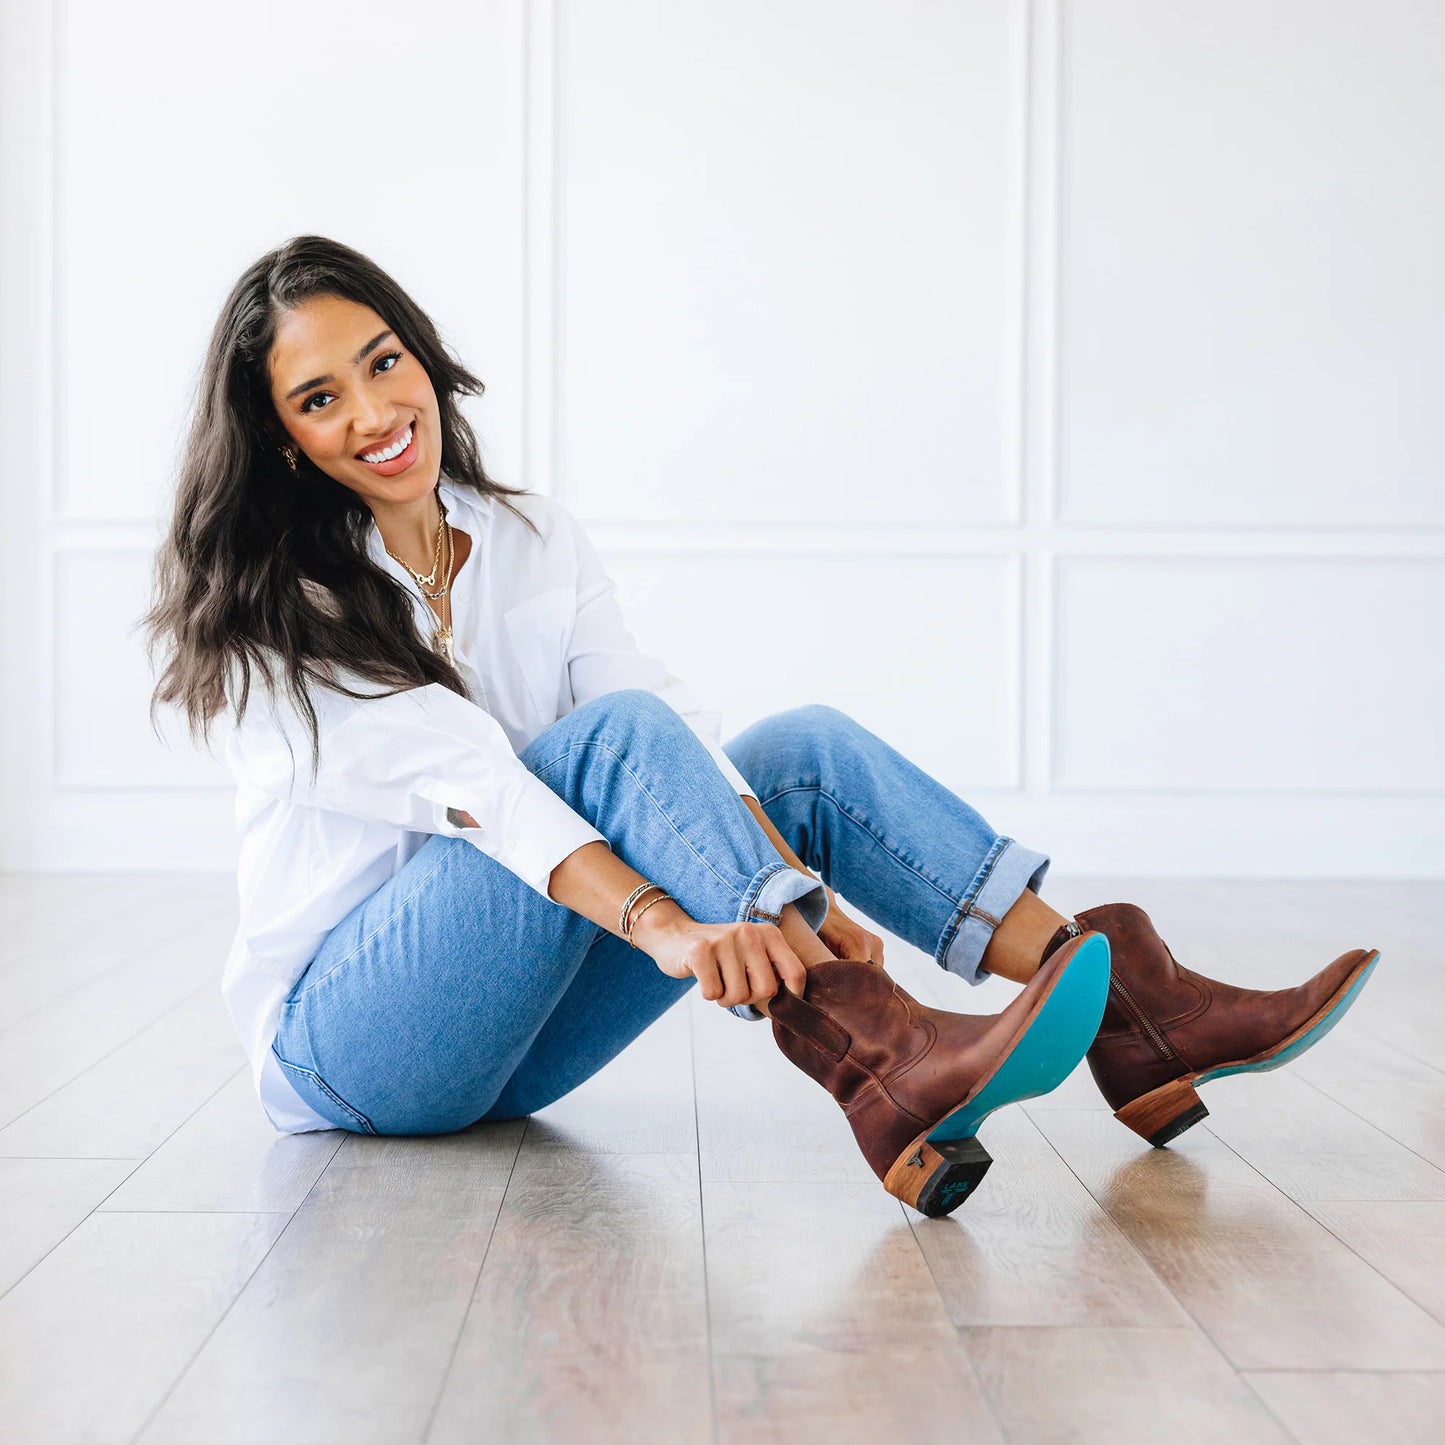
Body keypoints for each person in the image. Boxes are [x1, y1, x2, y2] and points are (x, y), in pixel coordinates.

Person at [141, 235, 1380, 1220]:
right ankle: (870, 1042)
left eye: (381, 359)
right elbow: (491, 789)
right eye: (319, 397)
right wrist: (678, 923)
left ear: (420, 353)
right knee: (597, 745)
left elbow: (664, 728)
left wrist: (779, 881)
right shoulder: (274, 619)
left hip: (512, 1057)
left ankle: (1135, 1018)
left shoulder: (526, 537)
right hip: (359, 1052)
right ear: (286, 445)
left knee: (793, 755)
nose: (372, 408)